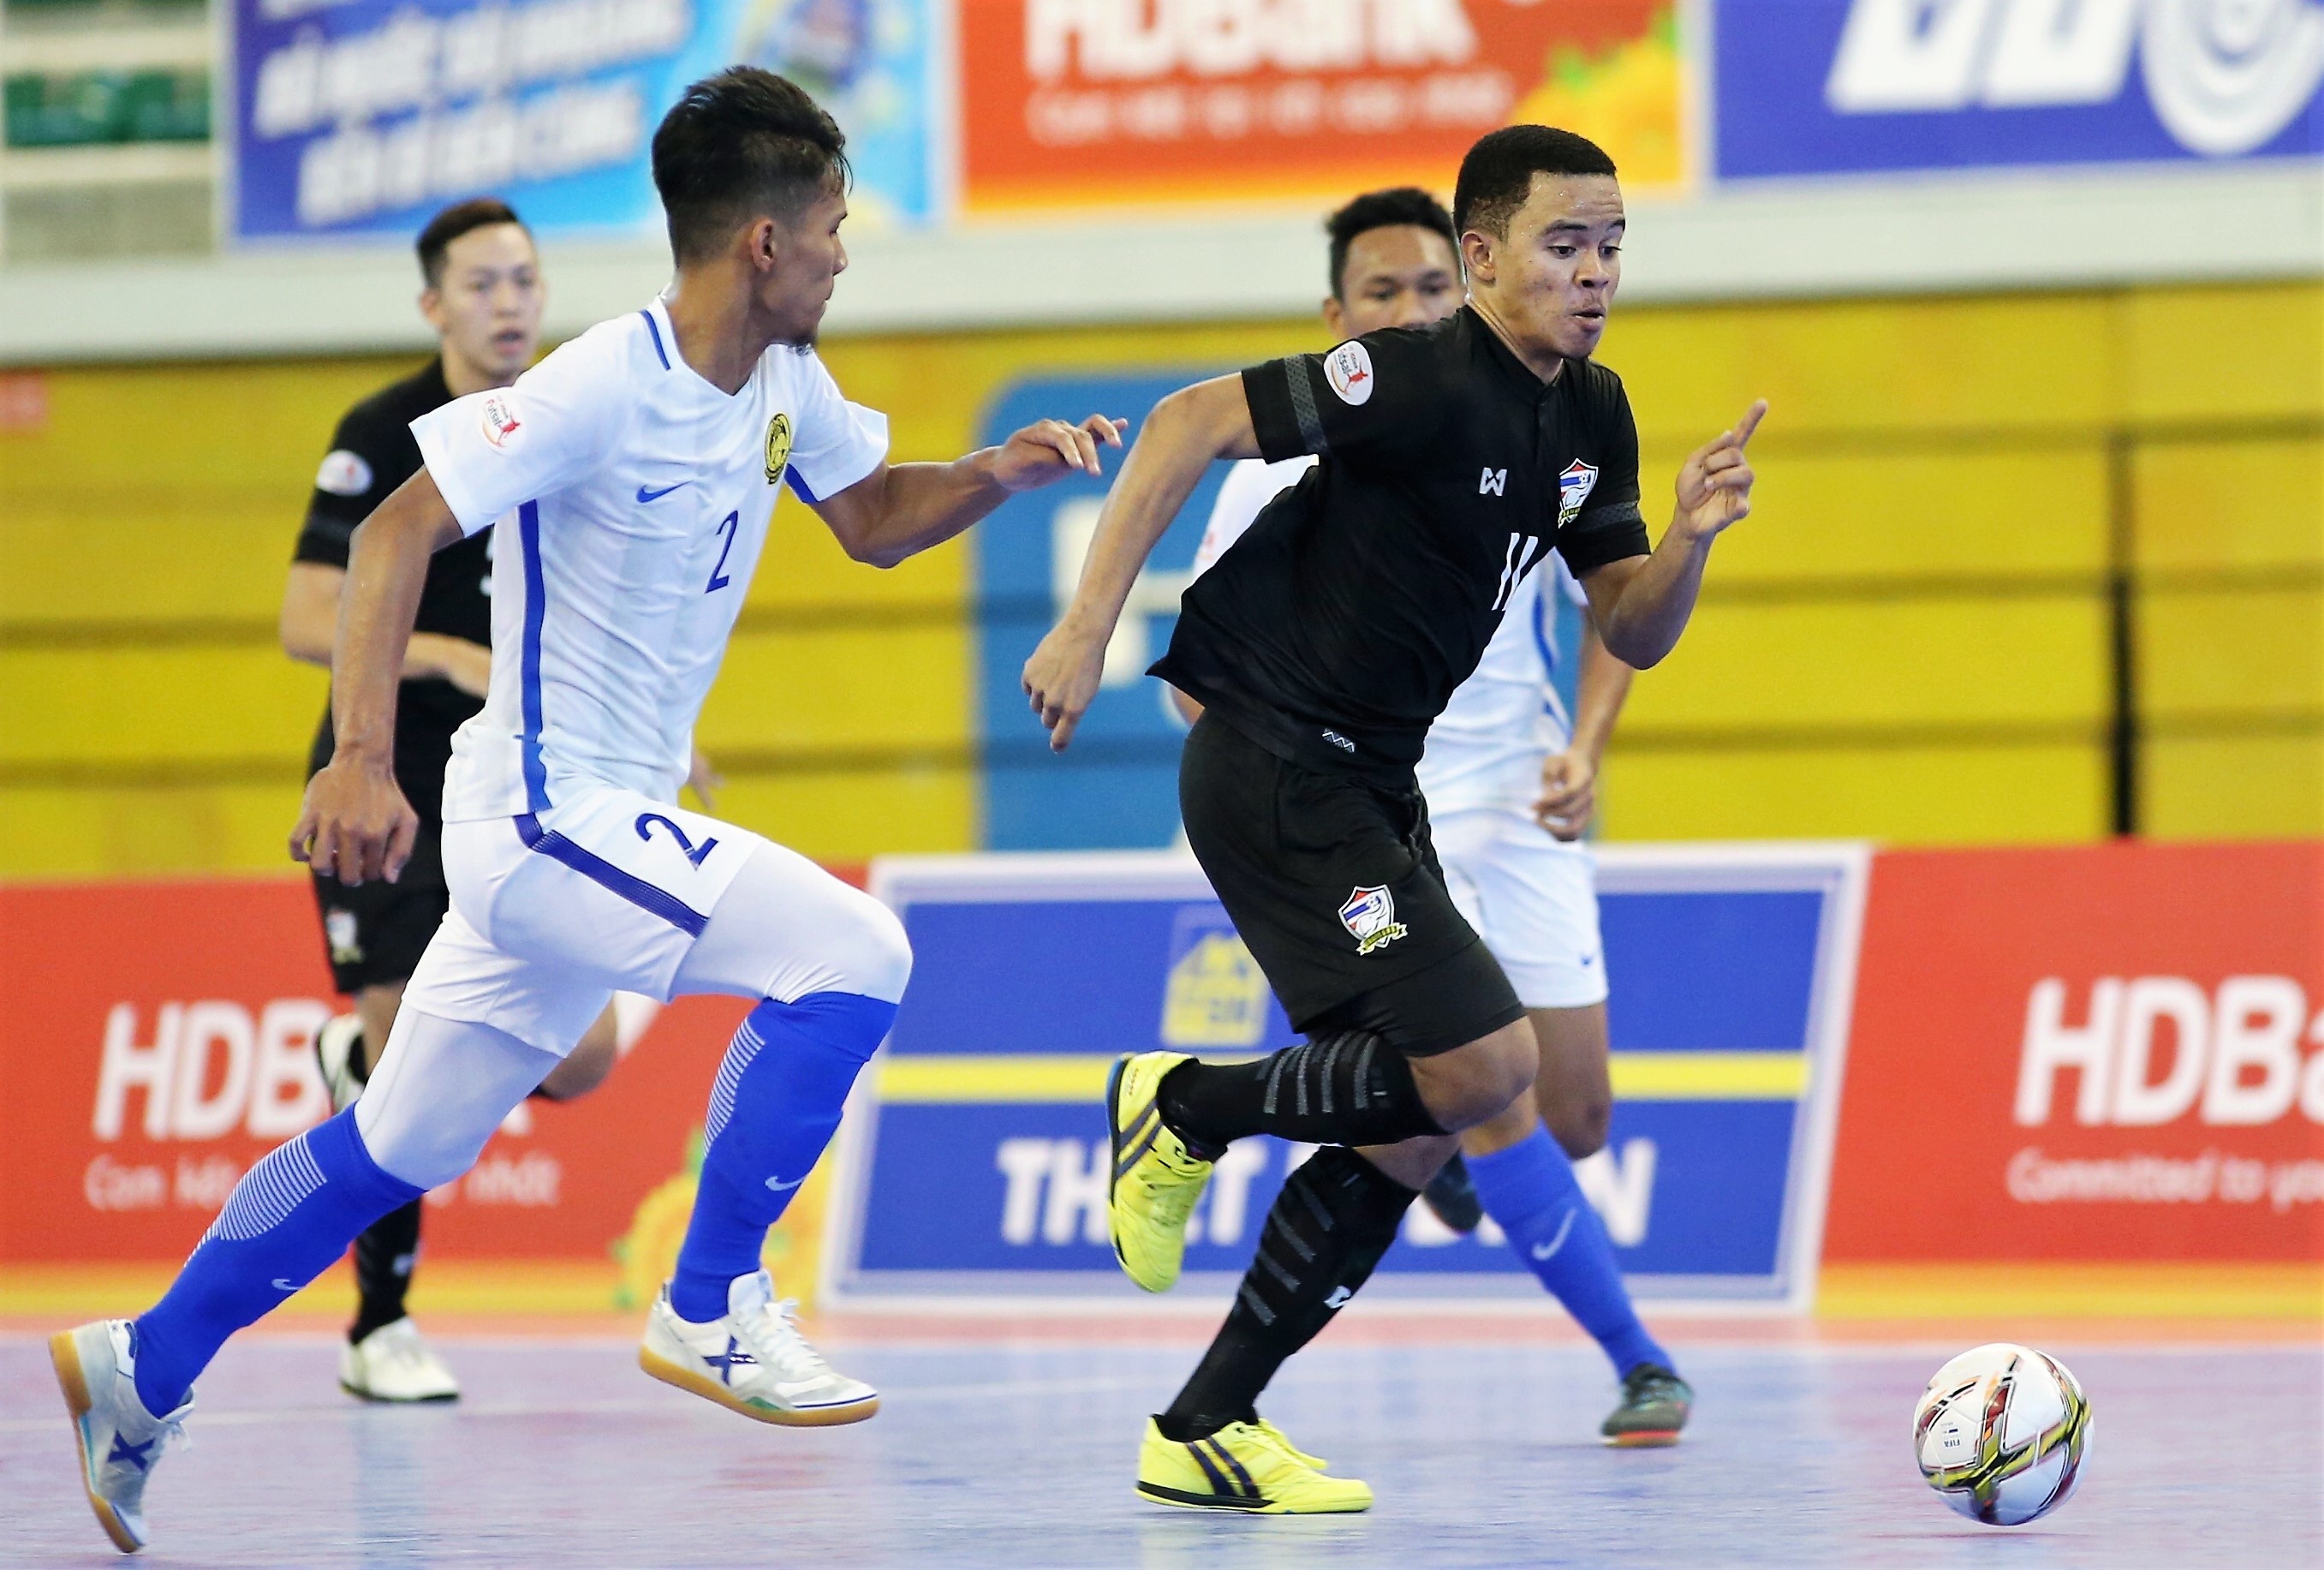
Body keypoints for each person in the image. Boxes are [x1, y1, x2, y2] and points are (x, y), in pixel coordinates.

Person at [53, 66, 1122, 1555]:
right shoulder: (596, 382)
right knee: (857, 954)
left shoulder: (785, 386)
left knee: (394, 1144)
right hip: (544, 815)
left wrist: (995, 476)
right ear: (760, 242)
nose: (841, 254)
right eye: (830, 227)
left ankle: (142, 1365)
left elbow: (874, 519)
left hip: (584, 836)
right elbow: (392, 530)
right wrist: (362, 757)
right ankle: (709, 1299)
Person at [1024, 125, 1764, 1513]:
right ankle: (1179, 1103)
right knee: (1489, 1064)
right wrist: (1083, 625)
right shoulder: (1418, 377)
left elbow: (1630, 627)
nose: (1595, 271)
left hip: (1371, 783)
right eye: (1563, 244)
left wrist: (1688, 541)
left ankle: (1203, 1424)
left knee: (1424, 1119)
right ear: (1477, 260)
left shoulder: (1590, 414)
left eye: (1611, 244)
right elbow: (1189, 420)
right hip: (1271, 765)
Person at [1174, 187, 1692, 1448]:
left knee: (1568, 1113)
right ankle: (1636, 1360)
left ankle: (1216, 1398)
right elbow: (1202, 685)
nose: (1409, 311)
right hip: (1373, 816)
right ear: (1333, 319)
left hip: (1516, 802)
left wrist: (1586, 743)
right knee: (1465, 1086)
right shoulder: (1285, 468)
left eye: (1427, 289)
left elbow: (1606, 602)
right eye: (1379, 294)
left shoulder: (1528, 422)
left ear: (1462, 287)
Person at [281, 195, 663, 1405]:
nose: (509, 303)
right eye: (482, 283)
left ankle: (359, 1057)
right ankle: (378, 1325)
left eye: (524, 281)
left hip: (527, 782)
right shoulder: (382, 429)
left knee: (584, 1057)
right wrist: (448, 658)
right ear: (433, 304)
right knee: (407, 1083)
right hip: (389, 775)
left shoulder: (570, 417)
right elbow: (304, 618)